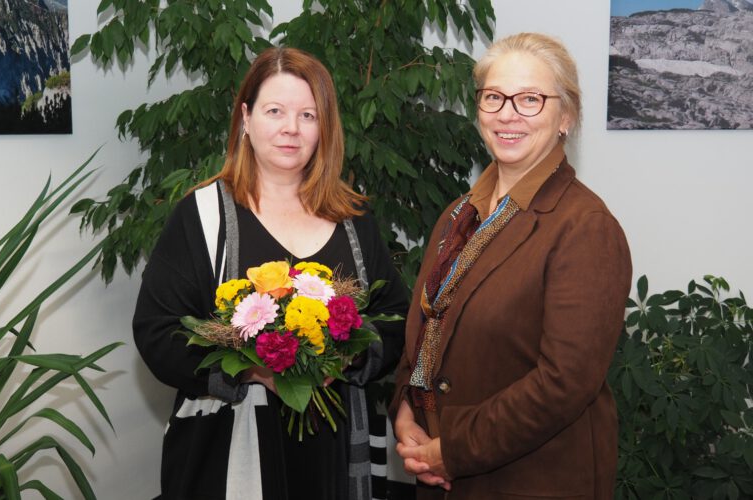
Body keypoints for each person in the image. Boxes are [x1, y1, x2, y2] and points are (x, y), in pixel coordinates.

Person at [133, 46, 408, 500]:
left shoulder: (354, 221)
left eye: (307, 115)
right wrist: (251, 367)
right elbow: (156, 332)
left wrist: (347, 356)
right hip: (226, 454)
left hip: (334, 458)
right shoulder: (202, 216)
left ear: (325, 128)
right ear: (245, 117)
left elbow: (394, 319)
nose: (290, 129)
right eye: (275, 110)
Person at [389, 32, 632, 499]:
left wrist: (451, 449)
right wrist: (406, 409)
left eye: (530, 99)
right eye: (494, 96)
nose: (507, 113)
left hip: (533, 481)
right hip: (441, 477)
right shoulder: (459, 214)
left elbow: (564, 383)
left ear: (567, 116)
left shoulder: (585, 227)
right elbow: (424, 333)